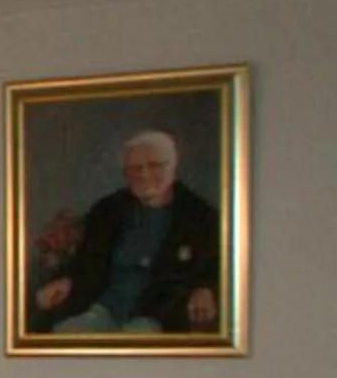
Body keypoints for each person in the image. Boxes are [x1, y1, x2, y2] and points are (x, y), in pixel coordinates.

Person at [32, 129, 220, 334]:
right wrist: (66, 280)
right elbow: (85, 261)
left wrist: (207, 289)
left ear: (173, 167)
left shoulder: (200, 216)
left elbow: (214, 268)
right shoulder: (107, 210)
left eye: (154, 166)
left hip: (158, 315)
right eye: (135, 169)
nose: (144, 175)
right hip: (102, 310)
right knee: (63, 334)